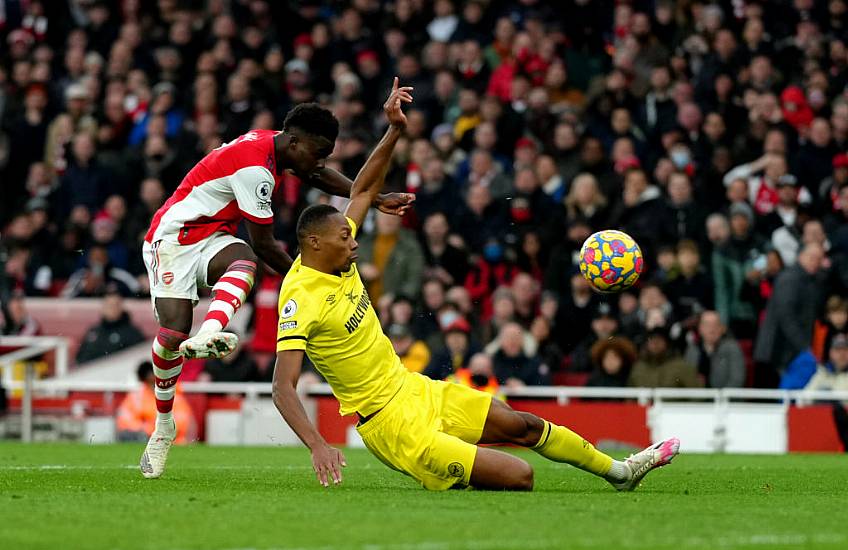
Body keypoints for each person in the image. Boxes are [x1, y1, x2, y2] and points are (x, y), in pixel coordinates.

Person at [272, 80, 679, 492]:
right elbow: (282, 386)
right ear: (314, 243)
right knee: (521, 476)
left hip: (415, 389)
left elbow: (361, 189)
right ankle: (446, 466)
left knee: (522, 424)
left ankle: (621, 473)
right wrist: (317, 444)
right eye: (345, 238)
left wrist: (394, 129)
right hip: (390, 424)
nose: (355, 240)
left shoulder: (338, 251)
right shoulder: (299, 296)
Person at [139, 86, 415, 479]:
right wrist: (308, 281)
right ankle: (163, 425)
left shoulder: (275, 145)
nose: (319, 162)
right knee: (171, 335)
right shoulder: (256, 170)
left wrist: (375, 197)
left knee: (242, 261)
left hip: (213, 235)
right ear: (295, 142)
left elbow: (316, 174)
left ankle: (212, 331)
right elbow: (267, 243)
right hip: (172, 239)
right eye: (317, 152)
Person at [116, 362, 197, 444]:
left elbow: (181, 423)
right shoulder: (136, 396)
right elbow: (124, 419)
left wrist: (152, 429)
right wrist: (146, 429)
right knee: (127, 435)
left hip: (171, 442)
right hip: (143, 437)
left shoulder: (174, 396)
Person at [76, 289, 146, 364]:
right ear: (103, 307)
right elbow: (81, 357)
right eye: (108, 305)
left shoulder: (132, 333)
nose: (111, 309)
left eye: (115, 305)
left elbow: (139, 359)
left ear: (121, 307)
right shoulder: (93, 332)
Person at [684, 311, 746, 388]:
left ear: (722, 328)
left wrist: (720, 398)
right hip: (699, 398)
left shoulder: (732, 348)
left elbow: (737, 380)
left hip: (724, 398)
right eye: (707, 325)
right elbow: (686, 380)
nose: (712, 329)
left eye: (715, 325)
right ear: (700, 328)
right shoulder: (692, 350)